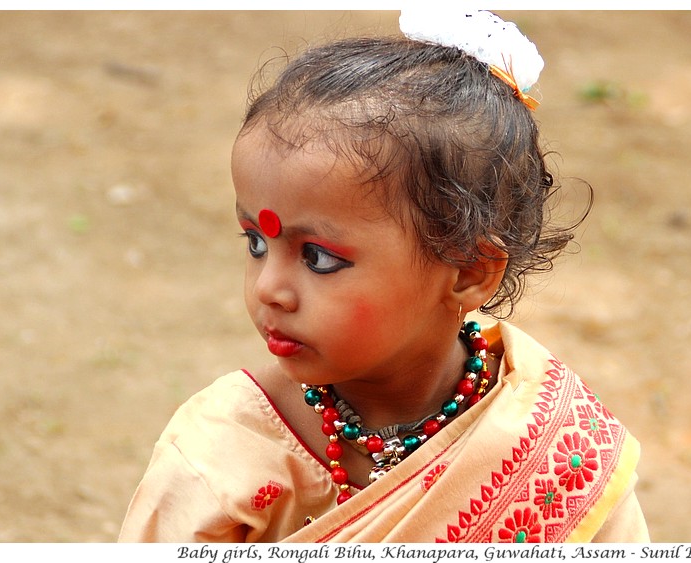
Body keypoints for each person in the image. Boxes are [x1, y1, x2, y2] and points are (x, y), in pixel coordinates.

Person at [119, 10, 649, 543]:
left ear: (468, 270)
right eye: (256, 242)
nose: (267, 289)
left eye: (319, 258)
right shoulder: (227, 447)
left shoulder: (553, 446)